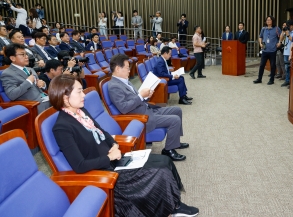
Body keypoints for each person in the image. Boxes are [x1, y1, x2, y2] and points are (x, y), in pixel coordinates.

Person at [49, 74, 199, 217]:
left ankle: (174, 204)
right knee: (159, 171)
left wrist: (113, 144)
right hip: (105, 171)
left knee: (164, 161)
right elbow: (80, 166)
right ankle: (170, 209)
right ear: (65, 97)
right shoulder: (62, 127)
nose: (83, 96)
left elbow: (102, 132)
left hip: (114, 159)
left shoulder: (81, 112)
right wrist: (109, 157)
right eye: (79, 91)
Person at [108, 54, 189, 160]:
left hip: (147, 109)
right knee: (175, 120)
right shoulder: (114, 86)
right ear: (118, 69)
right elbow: (124, 108)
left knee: (177, 110)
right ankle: (168, 150)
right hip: (141, 117)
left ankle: (175, 142)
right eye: (128, 68)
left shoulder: (124, 81)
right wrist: (141, 96)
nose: (129, 71)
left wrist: (145, 96)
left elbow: (136, 99)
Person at [1, 43, 50, 113]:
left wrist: (43, 84)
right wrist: (28, 82)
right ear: (12, 58)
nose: (26, 57)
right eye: (22, 54)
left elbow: (40, 88)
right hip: (33, 105)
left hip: (45, 98)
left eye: (26, 54)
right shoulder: (7, 73)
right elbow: (12, 95)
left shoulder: (30, 69)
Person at [254, 16, 282, 85]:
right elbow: (260, 37)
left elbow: (281, 36)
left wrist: (279, 42)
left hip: (273, 50)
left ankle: (271, 80)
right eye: (267, 20)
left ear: (272, 21)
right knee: (262, 65)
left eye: (270, 20)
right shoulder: (264, 29)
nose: (268, 21)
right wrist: (260, 43)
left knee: (273, 65)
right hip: (265, 50)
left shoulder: (276, 29)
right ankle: (259, 79)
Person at [279, 20, 293, 87]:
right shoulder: (286, 31)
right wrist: (283, 32)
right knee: (286, 67)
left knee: (291, 67)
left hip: (292, 52)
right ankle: (287, 80)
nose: (289, 27)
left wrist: (288, 34)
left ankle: (291, 82)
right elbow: (281, 39)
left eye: (290, 25)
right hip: (286, 52)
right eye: (288, 26)